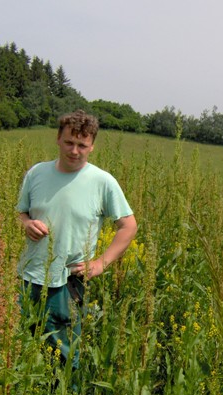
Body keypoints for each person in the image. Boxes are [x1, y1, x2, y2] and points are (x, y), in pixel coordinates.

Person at [16, 109, 137, 369]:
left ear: (92, 146)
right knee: (20, 350)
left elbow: (128, 226)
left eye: (82, 145)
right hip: (27, 278)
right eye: (69, 142)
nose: (74, 151)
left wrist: (100, 264)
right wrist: (27, 223)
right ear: (58, 139)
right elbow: (21, 212)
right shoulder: (36, 173)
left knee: (64, 357)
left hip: (67, 284)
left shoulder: (103, 182)